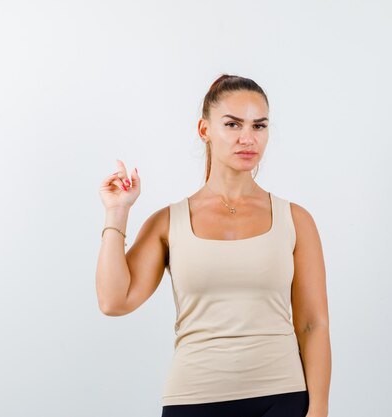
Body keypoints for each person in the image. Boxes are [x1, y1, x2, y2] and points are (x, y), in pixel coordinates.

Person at [96, 74, 331, 417]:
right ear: (204, 130)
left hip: (282, 396)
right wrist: (117, 212)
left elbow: (313, 323)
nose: (247, 138)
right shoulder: (169, 222)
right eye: (233, 124)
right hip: (193, 398)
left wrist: (320, 408)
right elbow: (114, 301)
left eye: (259, 126)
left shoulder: (295, 219)